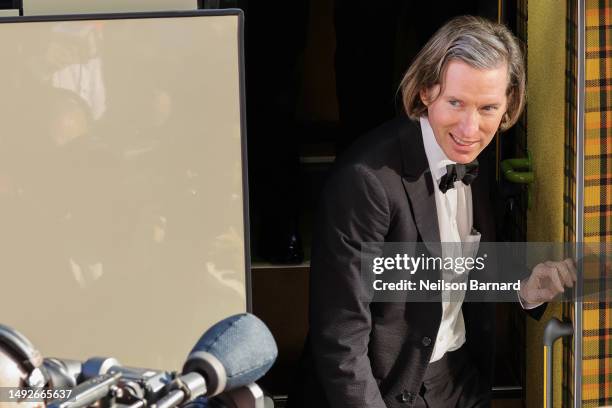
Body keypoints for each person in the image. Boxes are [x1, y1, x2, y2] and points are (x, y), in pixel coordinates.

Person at [288, 15, 576, 408]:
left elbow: (452, 267)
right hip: (378, 390)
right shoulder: (367, 181)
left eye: (488, 107)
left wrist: (524, 288)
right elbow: (341, 339)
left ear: (508, 105)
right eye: (455, 103)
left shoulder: (476, 157)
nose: (470, 128)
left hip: (457, 381)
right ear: (426, 90)